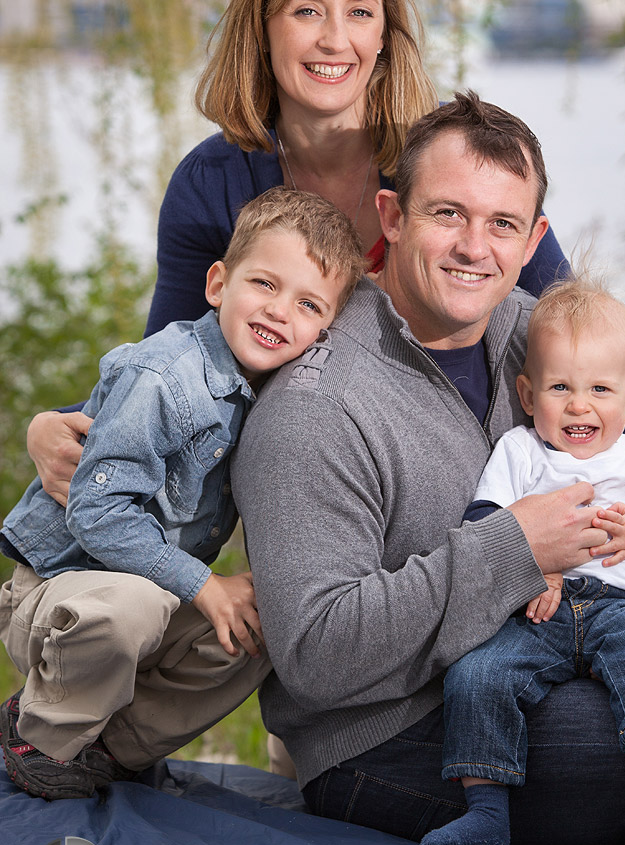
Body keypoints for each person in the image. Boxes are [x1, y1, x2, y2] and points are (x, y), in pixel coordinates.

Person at [231, 92, 625, 845]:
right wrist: (511, 549)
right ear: (390, 216)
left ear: (535, 241)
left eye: (503, 224)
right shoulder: (317, 403)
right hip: (387, 738)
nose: (476, 247)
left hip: (568, 665)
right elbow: (316, 657)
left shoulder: (533, 339)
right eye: (448, 214)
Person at [24, 0, 625, 508]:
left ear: (385, 33)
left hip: (487, 488)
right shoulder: (211, 183)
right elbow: (174, 363)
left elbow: (586, 341)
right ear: (262, 25)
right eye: (306, 11)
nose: (334, 39)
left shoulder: (445, 166)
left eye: (359, 13)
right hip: (313, 501)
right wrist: (55, 424)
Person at [0, 188, 364, 801]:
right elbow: (97, 510)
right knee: (131, 607)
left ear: (325, 332)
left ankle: (114, 748)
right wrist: (202, 584)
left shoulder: (274, 399)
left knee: (270, 615)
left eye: (307, 303)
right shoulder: (164, 377)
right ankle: (41, 735)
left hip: (143, 597)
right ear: (218, 283)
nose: (280, 312)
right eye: (265, 284)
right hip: (60, 592)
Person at [420, 276, 625, 845]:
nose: (580, 404)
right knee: (477, 674)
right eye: (560, 387)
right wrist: (533, 565)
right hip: (539, 610)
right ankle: (485, 814)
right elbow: (485, 519)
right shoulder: (520, 450)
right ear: (529, 394)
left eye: (600, 389)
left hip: (620, 605)